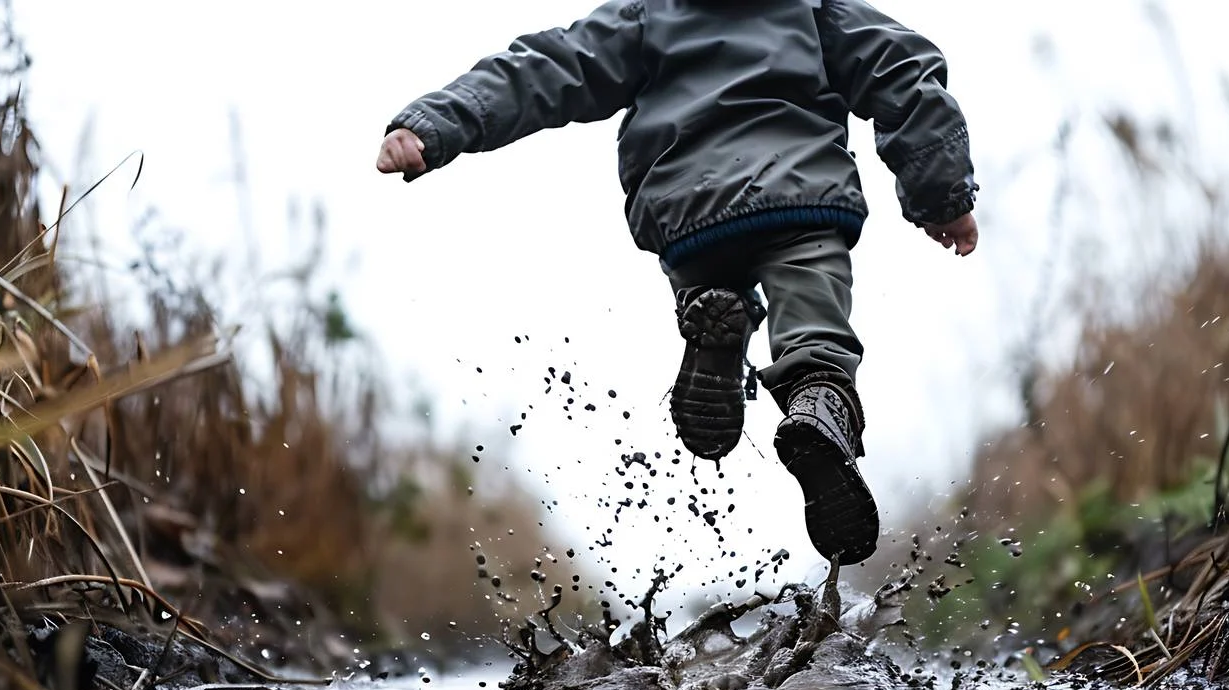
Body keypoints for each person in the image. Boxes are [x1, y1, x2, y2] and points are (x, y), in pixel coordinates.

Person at [377, 0, 978, 566]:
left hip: (692, 215)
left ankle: (714, 322)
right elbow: (906, 70)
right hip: (804, 204)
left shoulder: (647, 17)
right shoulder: (816, 11)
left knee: (710, 284)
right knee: (814, 322)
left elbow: (543, 70)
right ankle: (817, 401)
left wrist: (437, 124)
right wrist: (940, 196)